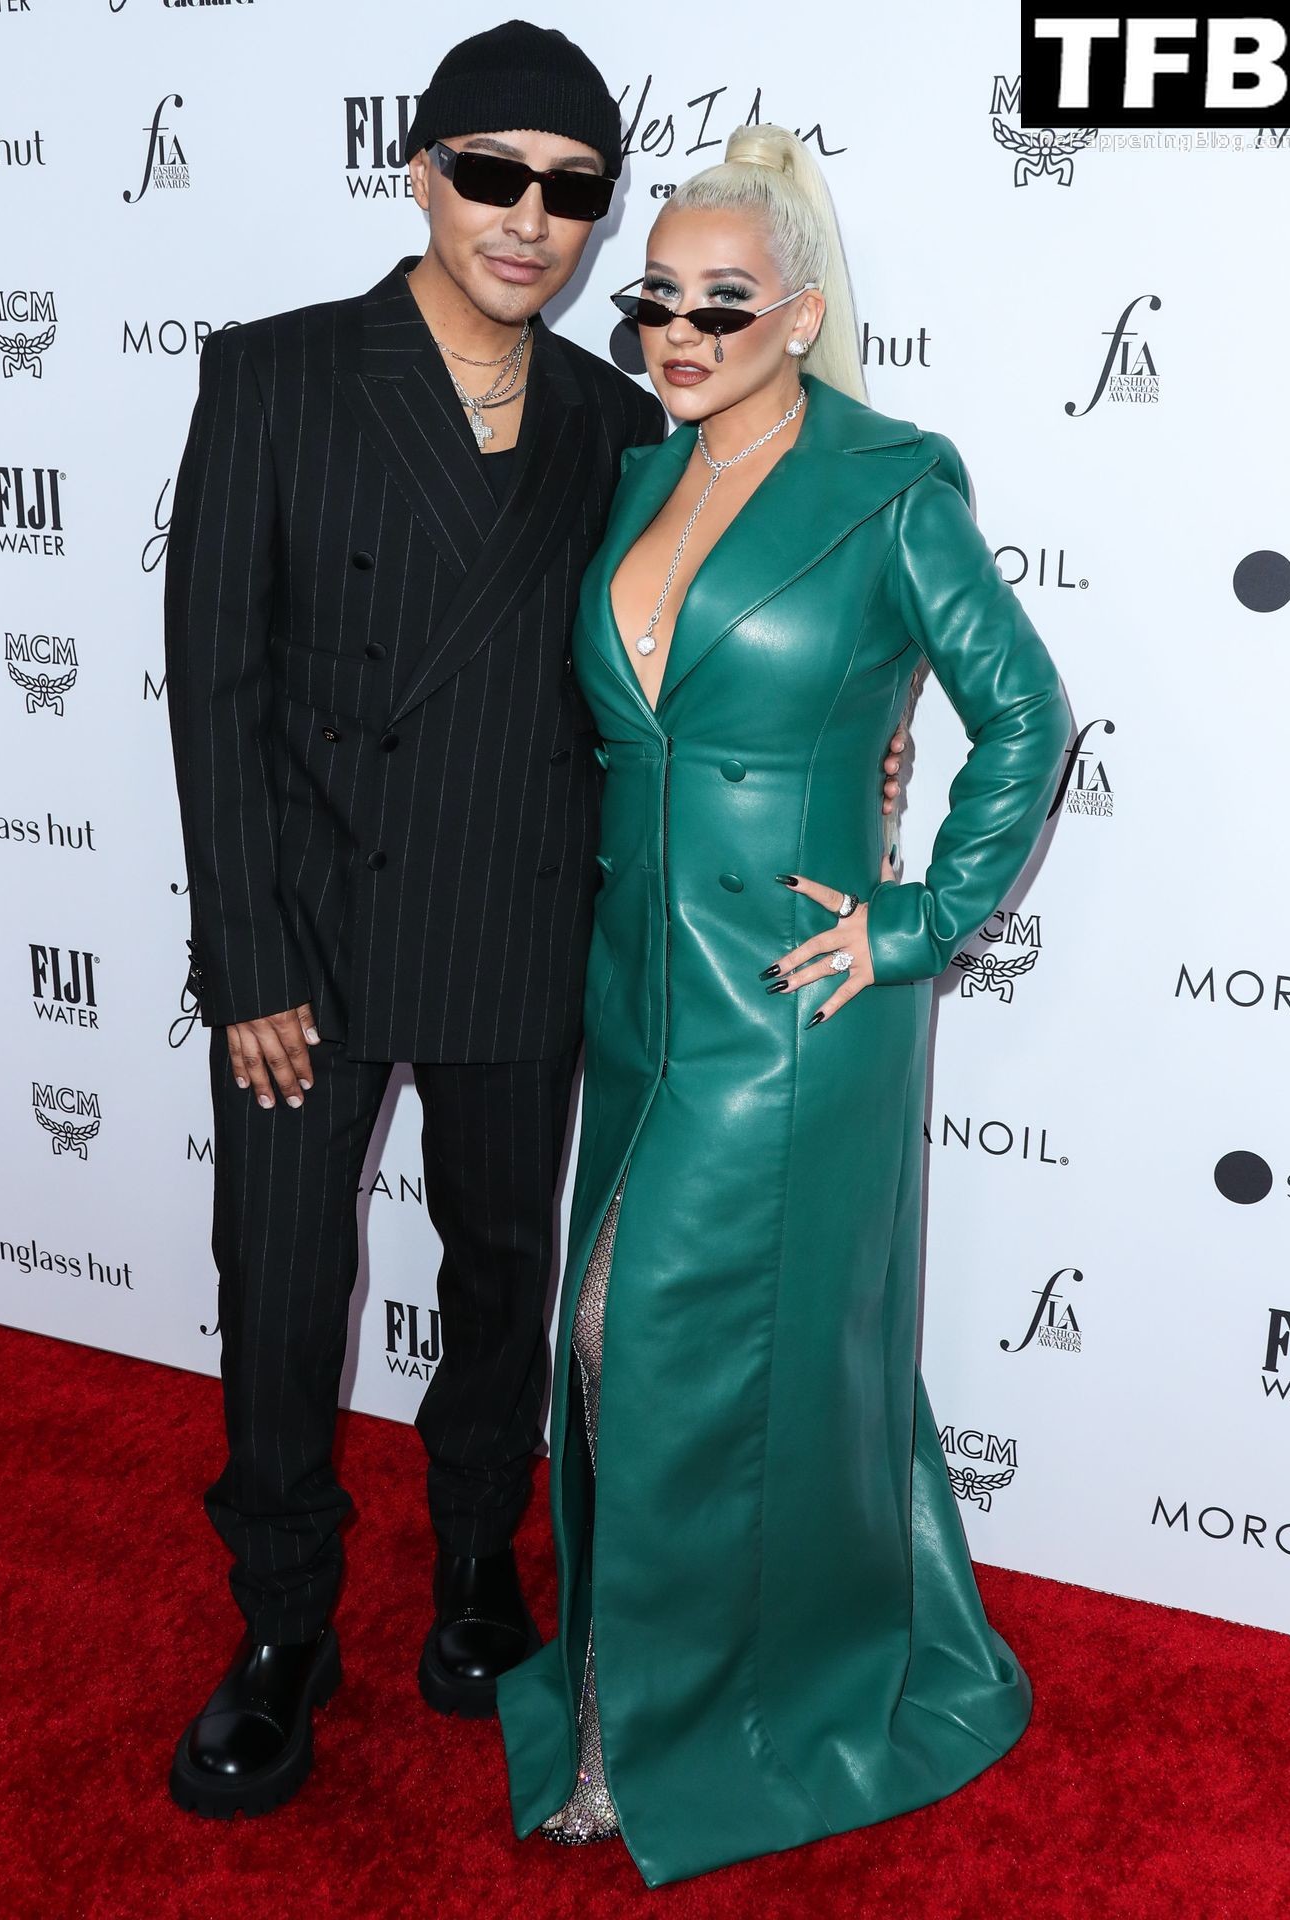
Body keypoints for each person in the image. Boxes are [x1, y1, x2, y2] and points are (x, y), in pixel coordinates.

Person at [162, 17, 916, 1821]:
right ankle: (282, 1629)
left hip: (515, 910)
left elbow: (716, 613)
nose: (529, 219)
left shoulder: (617, 417)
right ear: (421, 171)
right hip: (306, 945)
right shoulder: (273, 374)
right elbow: (214, 688)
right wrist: (246, 958)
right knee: (280, 1290)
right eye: (493, 173)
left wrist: (853, 744)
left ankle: (477, 1565)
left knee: (503, 1280)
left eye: (572, 192)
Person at [495, 124, 1074, 1888]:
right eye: (655, 300)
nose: (675, 333)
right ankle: (650, 1693)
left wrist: (918, 921)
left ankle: (677, 1732)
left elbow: (1026, 715)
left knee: (666, 1349)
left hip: (801, 1009)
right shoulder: (634, 478)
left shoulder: (887, 488)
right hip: (641, 995)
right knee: (625, 1353)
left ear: (800, 316)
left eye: (721, 305)